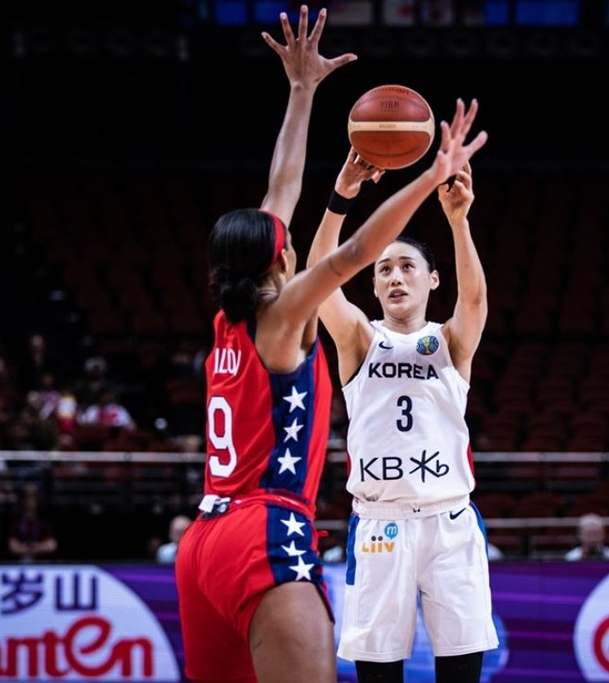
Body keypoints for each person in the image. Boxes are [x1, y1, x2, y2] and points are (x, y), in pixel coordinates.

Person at [172, 7, 488, 683]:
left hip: (201, 534)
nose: (283, 228)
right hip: (263, 524)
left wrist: (302, 90)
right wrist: (431, 177)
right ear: (276, 261)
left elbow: (281, 186)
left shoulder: (232, 313)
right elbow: (353, 253)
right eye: (281, 237)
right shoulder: (283, 311)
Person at [307, 152, 498, 681]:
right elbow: (319, 279)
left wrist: (458, 221)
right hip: (379, 526)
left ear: (434, 280)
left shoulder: (451, 342)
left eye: (407, 266)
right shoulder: (360, 337)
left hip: (450, 521)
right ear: (372, 286)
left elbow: (477, 300)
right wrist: (340, 199)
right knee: (378, 676)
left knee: (460, 673)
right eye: (384, 269)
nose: (395, 277)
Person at [7, 484, 58, 562]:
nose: (29, 502)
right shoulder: (16, 523)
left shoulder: (43, 523)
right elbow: (12, 547)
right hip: (21, 562)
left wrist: (36, 548)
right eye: (26, 498)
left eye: (32, 498)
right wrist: (27, 550)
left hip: (41, 561)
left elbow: (52, 546)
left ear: (37, 501)